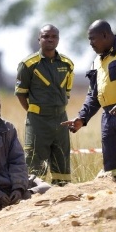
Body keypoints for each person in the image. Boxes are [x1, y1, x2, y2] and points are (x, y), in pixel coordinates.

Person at [62, 20, 116, 182]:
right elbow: (93, 95)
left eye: (92, 39)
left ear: (105, 35)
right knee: (112, 164)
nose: (90, 44)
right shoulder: (96, 61)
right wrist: (82, 118)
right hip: (109, 115)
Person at [15, 24, 74, 186]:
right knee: (34, 165)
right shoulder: (28, 64)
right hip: (37, 121)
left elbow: (67, 92)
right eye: (46, 36)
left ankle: (61, 197)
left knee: (62, 163)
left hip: (61, 119)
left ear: (58, 39)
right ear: (39, 39)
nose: (50, 39)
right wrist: (33, 111)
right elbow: (21, 93)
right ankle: (32, 199)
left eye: (54, 36)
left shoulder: (67, 64)